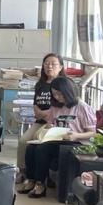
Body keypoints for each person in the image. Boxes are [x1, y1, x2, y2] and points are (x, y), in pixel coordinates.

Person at [21, 76, 96, 198]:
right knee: (31, 148)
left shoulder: (82, 107)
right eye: (54, 94)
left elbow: (92, 133)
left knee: (42, 149)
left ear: (68, 91)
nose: (57, 97)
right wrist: (49, 127)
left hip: (76, 142)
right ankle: (31, 180)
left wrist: (76, 135)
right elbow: (50, 123)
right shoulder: (56, 106)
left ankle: (40, 184)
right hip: (57, 140)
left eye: (60, 94)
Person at [16, 53, 64, 182]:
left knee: (39, 143)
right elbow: (35, 105)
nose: (49, 66)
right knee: (23, 141)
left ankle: (40, 177)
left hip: (55, 123)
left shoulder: (63, 84)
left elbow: (64, 106)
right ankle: (23, 171)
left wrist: (48, 114)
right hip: (40, 121)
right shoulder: (40, 84)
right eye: (46, 64)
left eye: (53, 64)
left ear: (60, 67)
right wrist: (40, 113)